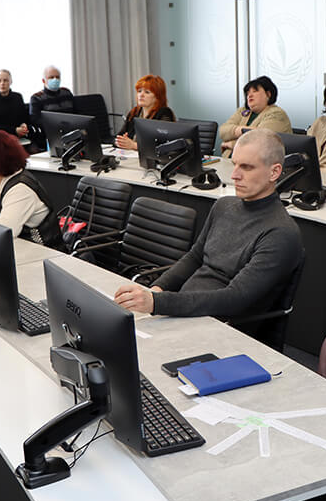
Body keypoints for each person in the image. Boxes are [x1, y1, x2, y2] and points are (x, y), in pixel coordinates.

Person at [114, 129, 303, 318]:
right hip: (187, 308)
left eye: (246, 167)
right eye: (234, 164)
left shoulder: (281, 233)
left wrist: (157, 303)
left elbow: (234, 299)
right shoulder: (224, 205)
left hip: (221, 324)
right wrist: (157, 289)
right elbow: (195, 257)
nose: (234, 175)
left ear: (274, 172)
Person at [218, 75, 292, 157]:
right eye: (248, 93)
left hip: (260, 164)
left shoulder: (277, 114)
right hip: (229, 160)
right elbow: (223, 131)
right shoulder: (243, 111)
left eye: (255, 91)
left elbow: (261, 139)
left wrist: (231, 143)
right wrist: (240, 130)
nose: (250, 95)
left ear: (268, 94)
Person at [114, 74, 175, 150]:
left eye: (147, 92)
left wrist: (134, 145)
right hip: (130, 155)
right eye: (139, 91)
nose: (141, 95)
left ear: (157, 97)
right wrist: (120, 142)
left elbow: (163, 146)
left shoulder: (164, 113)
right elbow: (119, 136)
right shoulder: (134, 112)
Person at [29, 65, 75, 152]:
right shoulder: (36, 98)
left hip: (71, 131)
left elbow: (77, 113)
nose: (55, 79)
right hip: (51, 135)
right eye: (51, 77)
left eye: (57, 77)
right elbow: (35, 120)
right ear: (43, 80)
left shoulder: (67, 93)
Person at [0, 69, 30, 139]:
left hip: (18, 137)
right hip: (0, 138)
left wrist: (24, 125)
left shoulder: (18, 97)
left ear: (11, 82)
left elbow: (24, 117)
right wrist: (14, 130)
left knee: (34, 149)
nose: (2, 83)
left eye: (5, 80)